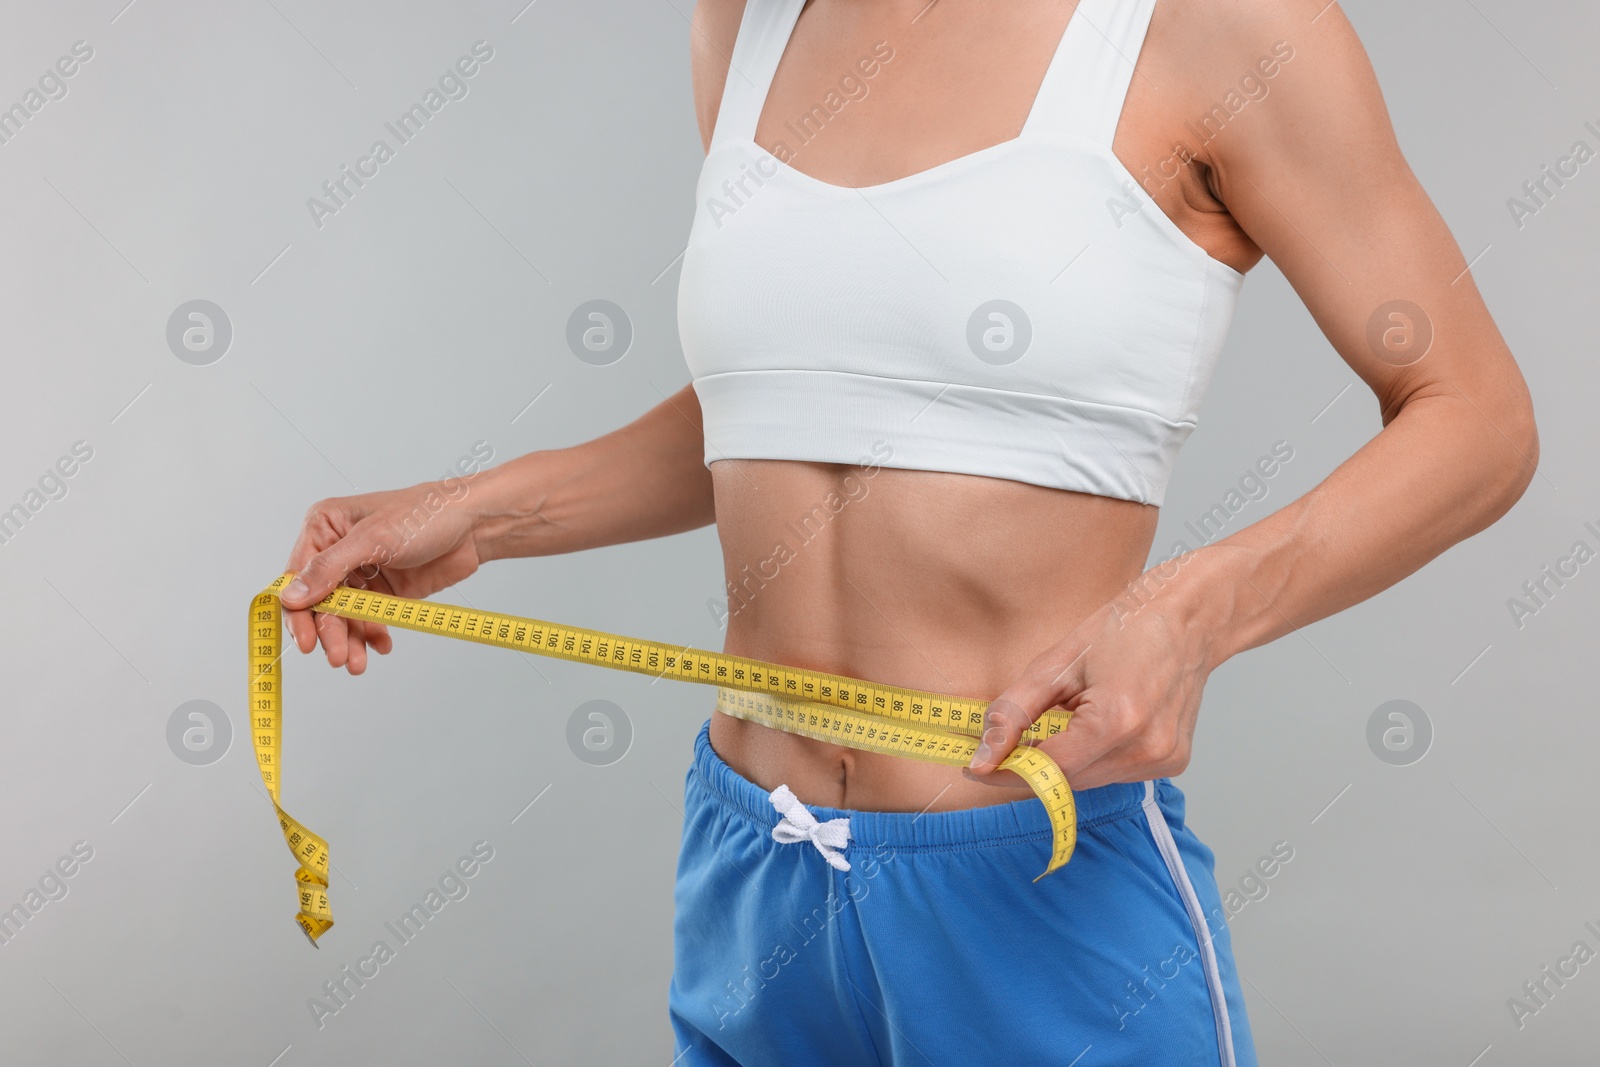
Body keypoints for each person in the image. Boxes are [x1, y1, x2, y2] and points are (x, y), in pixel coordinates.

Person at [277, 0, 1538, 1062]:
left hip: (1029, 859)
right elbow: (782, 407)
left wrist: (1192, 612)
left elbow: (1475, 419)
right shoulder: (750, 21)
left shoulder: (1218, 29)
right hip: (751, 860)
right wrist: (479, 512)